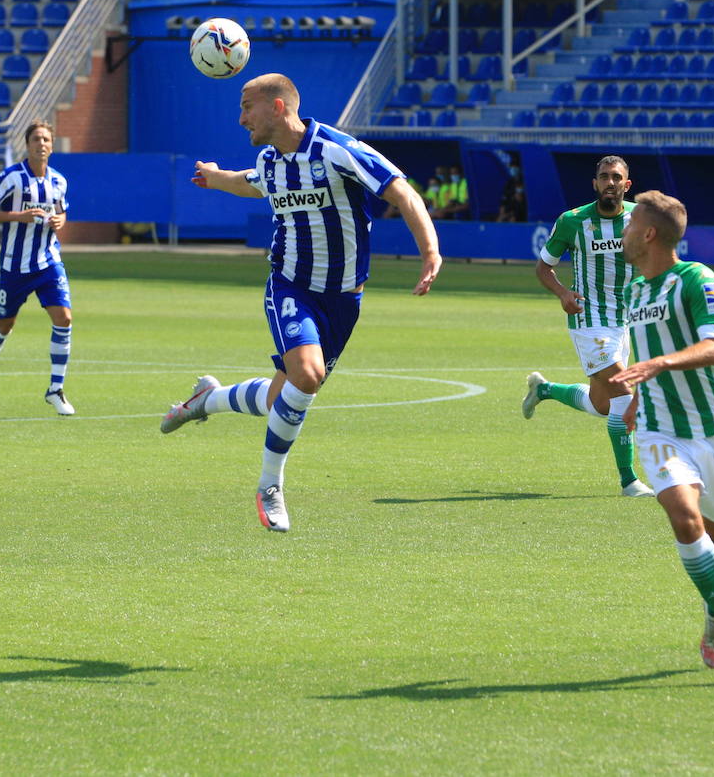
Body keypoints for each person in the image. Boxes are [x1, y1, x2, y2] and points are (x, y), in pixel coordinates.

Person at [159, 72, 441, 532]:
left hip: (345, 298)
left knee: (279, 400)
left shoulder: (337, 150)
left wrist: (430, 250)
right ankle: (270, 486)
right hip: (290, 284)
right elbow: (249, 182)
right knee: (306, 377)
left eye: (246, 107)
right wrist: (215, 178)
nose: (240, 118)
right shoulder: (270, 160)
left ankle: (206, 400)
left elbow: (402, 192)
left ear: (276, 107)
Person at [609, 189, 714, 677]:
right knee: (683, 518)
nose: (625, 231)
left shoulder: (696, 279)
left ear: (650, 234)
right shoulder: (634, 289)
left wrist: (657, 364)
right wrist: (635, 400)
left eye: (632, 224)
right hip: (660, 428)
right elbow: (645, 348)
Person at [521, 155, 653, 497]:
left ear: (627, 184)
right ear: (595, 183)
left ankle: (544, 390)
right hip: (588, 320)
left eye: (616, 177)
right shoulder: (572, 221)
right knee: (625, 395)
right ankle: (630, 481)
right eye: (604, 177)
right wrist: (562, 293)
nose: (610, 182)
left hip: (624, 321)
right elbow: (543, 268)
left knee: (603, 405)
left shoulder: (640, 218)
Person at [0, 119, 76, 416]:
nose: (41, 144)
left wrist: (60, 221)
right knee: (5, 324)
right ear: (27, 146)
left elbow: (62, 212)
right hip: (15, 266)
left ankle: (56, 389)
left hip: (48, 262)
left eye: (45, 140)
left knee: (64, 317)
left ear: (52, 146)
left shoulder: (59, 181)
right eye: (35, 140)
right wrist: (19, 216)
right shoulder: (12, 178)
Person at [495, 158, 526, 222]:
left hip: (520, 212)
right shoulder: (509, 183)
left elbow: (520, 200)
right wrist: (503, 211)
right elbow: (505, 199)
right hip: (509, 209)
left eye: (515, 168)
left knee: (513, 218)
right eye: (512, 167)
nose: (513, 170)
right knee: (500, 217)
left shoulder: (523, 181)